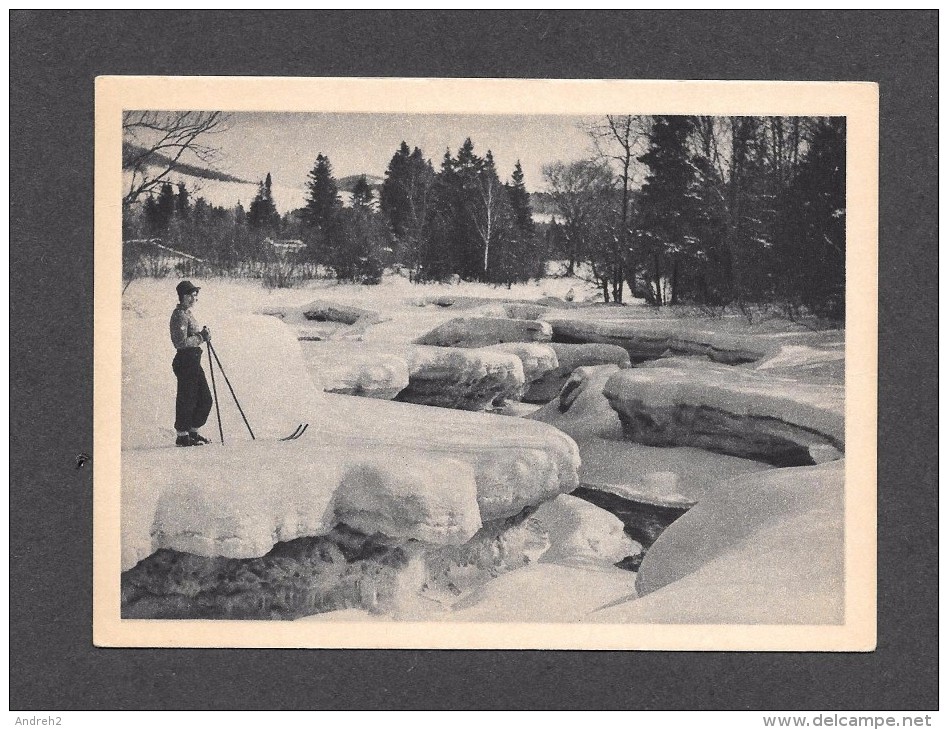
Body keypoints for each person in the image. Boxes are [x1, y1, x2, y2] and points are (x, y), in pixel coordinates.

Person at [170, 280, 213, 447]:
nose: (194, 298)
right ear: (183, 296)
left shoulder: (187, 313)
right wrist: (201, 337)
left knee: (204, 398)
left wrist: (203, 336)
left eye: (196, 295)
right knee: (187, 399)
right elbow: (180, 342)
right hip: (185, 360)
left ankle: (193, 432)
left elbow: (193, 338)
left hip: (194, 360)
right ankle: (182, 436)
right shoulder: (179, 315)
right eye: (192, 295)